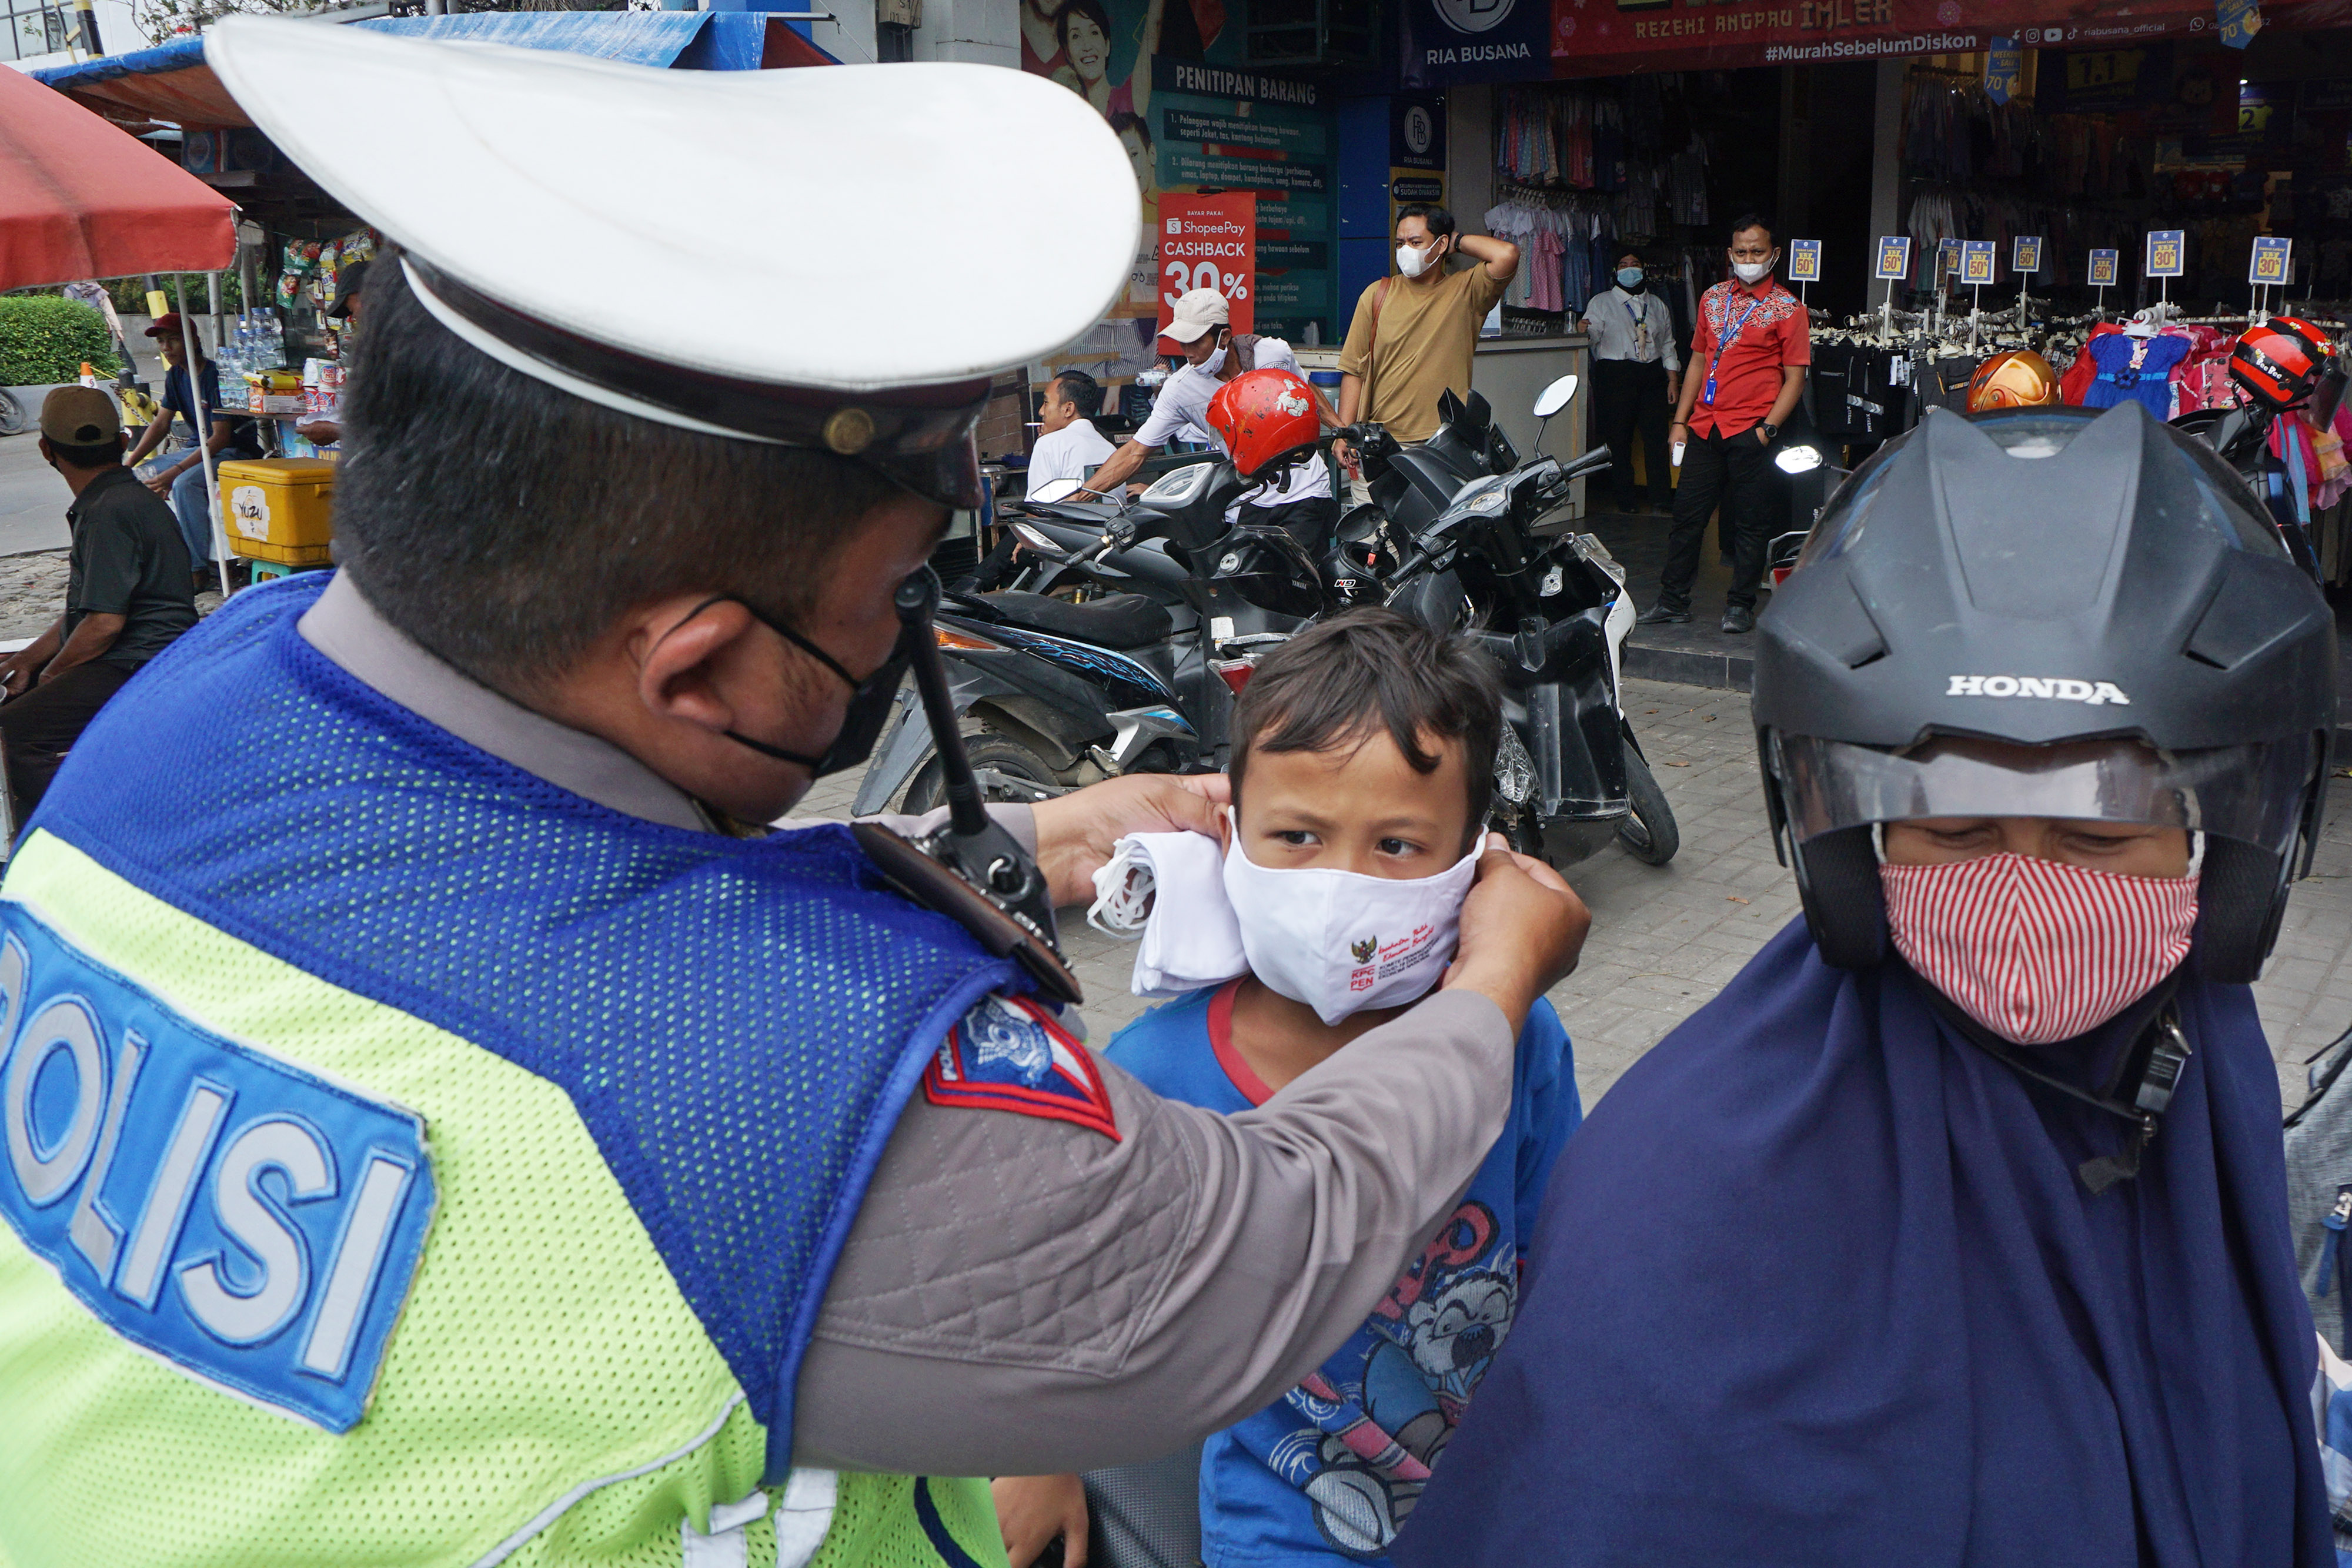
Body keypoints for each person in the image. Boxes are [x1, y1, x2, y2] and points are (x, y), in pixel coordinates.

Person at [0, 22, 1591, 1567]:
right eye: (894, 596)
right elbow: (1254, 1256)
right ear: (701, 671)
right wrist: (1490, 983)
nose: (898, 639)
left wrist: (1019, 841)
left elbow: (499, 901)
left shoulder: (201, 701)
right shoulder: (808, 1097)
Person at [1394, 400, 2341, 1567]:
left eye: (2099, 836)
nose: (2024, 888)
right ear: (1845, 849)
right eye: (1953, 828)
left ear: (2231, 861)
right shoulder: (1688, 1196)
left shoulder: (2203, 1073)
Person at [992, 609, 1582, 1568]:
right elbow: (1077, 1284)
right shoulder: (1154, 1070)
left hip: (1506, 1498)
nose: (1339, 887)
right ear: (1230, 833)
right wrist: (1037, 1453)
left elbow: (1565, 1256)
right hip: (1285, 1521)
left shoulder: (1513, 1031)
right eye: (1298, 834)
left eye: (1398, 845)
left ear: (1477, 857)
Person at [0, 387, 196, 818]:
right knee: (20, 699)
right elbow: (88, 610)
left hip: (141, 660)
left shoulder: (110, 511)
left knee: (20, 728)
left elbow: (105, 624)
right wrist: (27, 660)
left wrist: (52, 675)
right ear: (123, 441)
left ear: (46, 450)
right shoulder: (117, 500)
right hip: (135, 653)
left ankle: (77, 833)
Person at [1639, 214, 1808, 636]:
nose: (1749, 260)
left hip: (1752, 429)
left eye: (1757, 252)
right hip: (1705, 427)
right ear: (1730, 253)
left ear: (1774, 254)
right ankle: (1672, 600)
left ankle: (1740, 605)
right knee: (1687, 517)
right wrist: (1680, 421)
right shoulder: (1713, 298)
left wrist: (1767, 430)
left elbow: (1795, 378)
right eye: (1741, 252)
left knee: (1750, 522)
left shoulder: (1789, 308)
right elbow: (1698, 360)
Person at [1087, 287, 1341, 551]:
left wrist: (1342, 432)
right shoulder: (1180, 389)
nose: (1188, 352)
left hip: (1305, 491)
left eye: (1196, 342)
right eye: (1182, 343)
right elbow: (1135, 452)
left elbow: (1305, 392)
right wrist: (1081, 495)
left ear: (1224, 337)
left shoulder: (1272, 353)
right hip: (1248, 499)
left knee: (1301, 573)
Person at [1330, 206, 1519, 488]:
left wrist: (1456, 241)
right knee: (1376, 519)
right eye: (1400, 243)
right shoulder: (1376, 295)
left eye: (1416, 242)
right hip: (1380, 447)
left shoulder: (1466, 291)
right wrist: (1345, 433)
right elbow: (1353, 370)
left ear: (1440, 245)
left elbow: (1507, 255)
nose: (1405, 250)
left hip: (1443, 447)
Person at [118, 310, 265, 587]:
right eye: (161, 342)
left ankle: (197, 568)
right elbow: (161, 424)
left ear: (194, 341)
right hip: (198, 449)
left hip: (233, 452)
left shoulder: (214, 375)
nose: (166, 348)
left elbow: (220, 438)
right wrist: (129, 463)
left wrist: (173, 473)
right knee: (137, 477)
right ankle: (157, 558)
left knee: (185, 484)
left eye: (173, 340)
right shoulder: (175, 375)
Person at [1576, 254, 1682, 515]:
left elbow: (1668, 344)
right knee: (1619, 438)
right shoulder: (1602, 302)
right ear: (1615, 271)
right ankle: (1625, 498)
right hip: (1616, 374)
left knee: (1656, 437)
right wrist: (1582, 330)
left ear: (1644, 270)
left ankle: (1661, 497)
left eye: (1635, 265)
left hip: (1652, 374)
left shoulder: (1657, 304)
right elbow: (1592, 337)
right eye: (1623, 265)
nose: (1629, 269)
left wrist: (1672, 380)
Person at [295, 256, 368, 448]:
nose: (354, 318)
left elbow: (401, 428)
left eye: (352, 309)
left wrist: (336, 430)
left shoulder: (406, 343)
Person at [1027, 368, 1116, 492]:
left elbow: (1037, 503)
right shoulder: (1112, 450)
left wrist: (1047, 443)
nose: (1041, 412)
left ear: (1068, 409)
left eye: (1046, 403)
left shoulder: (1048, 445)